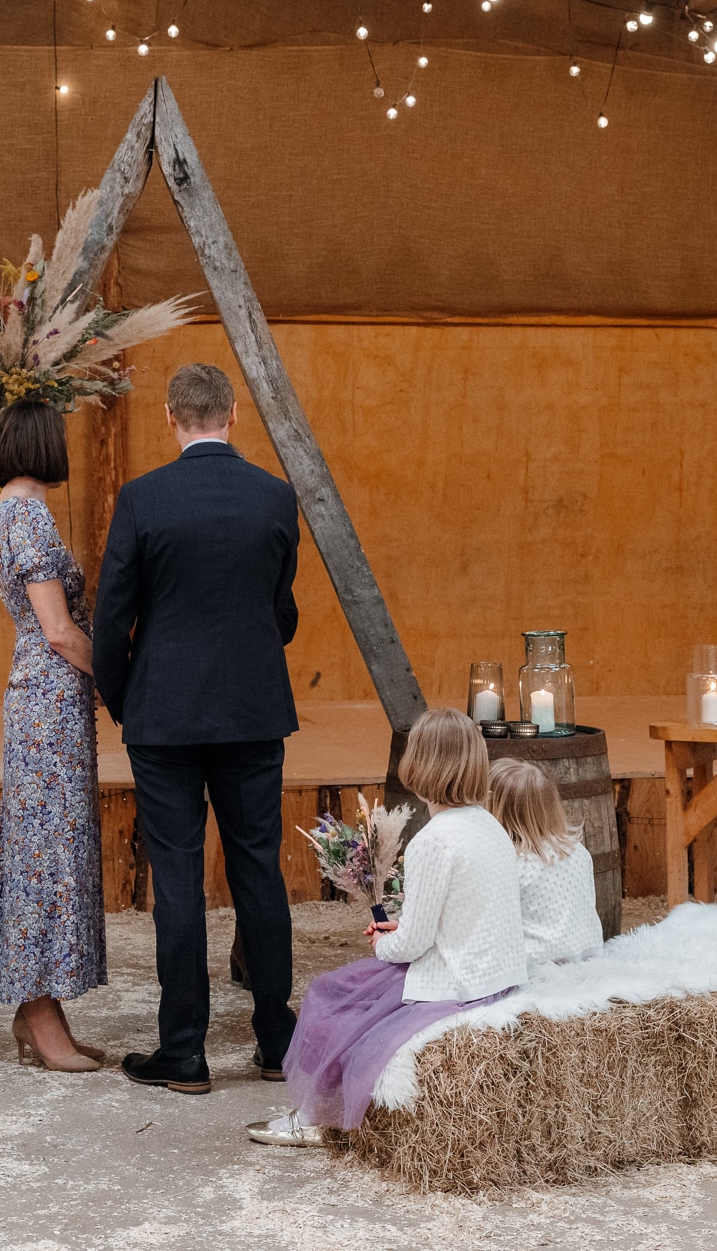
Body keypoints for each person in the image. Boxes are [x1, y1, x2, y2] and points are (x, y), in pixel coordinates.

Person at [94, 362, 300, 1096]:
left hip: (166, 717)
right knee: (258, 871)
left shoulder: (144, 499)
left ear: (171, 417)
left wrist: (125, 701)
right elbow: (282, 613)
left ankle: (184, 1052)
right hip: (252, 711)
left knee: (178, 881)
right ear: (234, 416)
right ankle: (277, 1042)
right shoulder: (275, 497)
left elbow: (113, 616)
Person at [247, 709, 529, 1147]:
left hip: (454, 984)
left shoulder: (432, 841)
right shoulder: (488, 826)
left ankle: (318, 1117)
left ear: (416, 765)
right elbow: (469, 909)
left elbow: (412, 944)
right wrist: (406, 928)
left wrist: (383, 941)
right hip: (498, 975)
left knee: (330, 999)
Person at [0, 399, 107, 1072]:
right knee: (44, 848)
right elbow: (58, 629)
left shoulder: (14, 507)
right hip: (48, 696)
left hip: (47, 694)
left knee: (50, 844)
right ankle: (36, 1007)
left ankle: (44, 1006)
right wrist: (116, 676)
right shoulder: (25, 510)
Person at [486, 758, 603, 968]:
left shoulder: (511, 863)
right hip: (586, 957)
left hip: (535, 964)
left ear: (496, 812)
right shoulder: (578, 851)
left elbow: (494, 925)